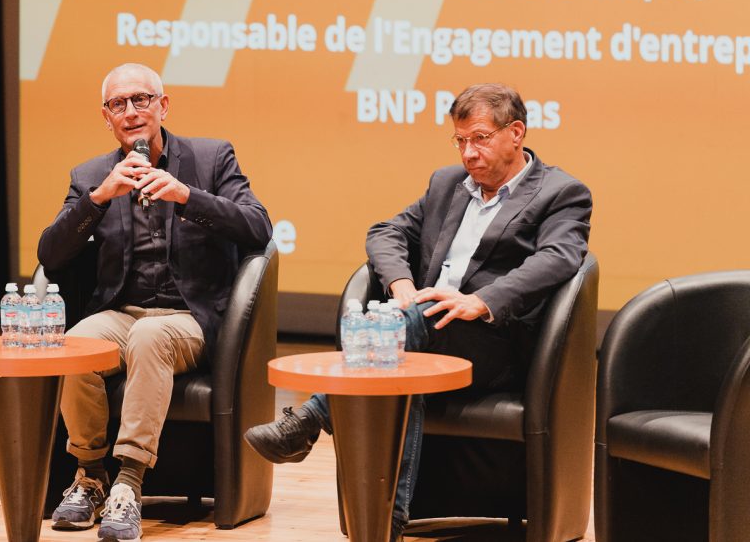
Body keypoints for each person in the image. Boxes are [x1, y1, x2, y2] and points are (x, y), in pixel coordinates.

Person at [244, 82, 592, 542]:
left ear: (516, 133)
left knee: (398, 330)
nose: (469, 152)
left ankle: (310, 417)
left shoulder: (561, 192)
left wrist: (482, 300)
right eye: (461, 140)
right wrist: (402, 285)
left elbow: (560, 258)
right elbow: (385, 232)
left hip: (496, 344)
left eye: (481, 138)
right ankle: (389, 522)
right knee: (401, 352)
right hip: (424, 325)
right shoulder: (447, 184)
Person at [37, 63, 272, 541]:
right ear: (106, 117)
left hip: (190, 319)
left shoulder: (210, 158)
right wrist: (100, 198)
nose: (131, 112)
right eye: (118, 104)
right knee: (76, 343)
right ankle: (89, 476)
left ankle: (129, 482)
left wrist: (189, 197)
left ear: (163, 106)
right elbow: (50, 253)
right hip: (119, 313)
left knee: (151, 335)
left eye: (141, 100)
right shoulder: (91, 176)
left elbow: (258, 227)